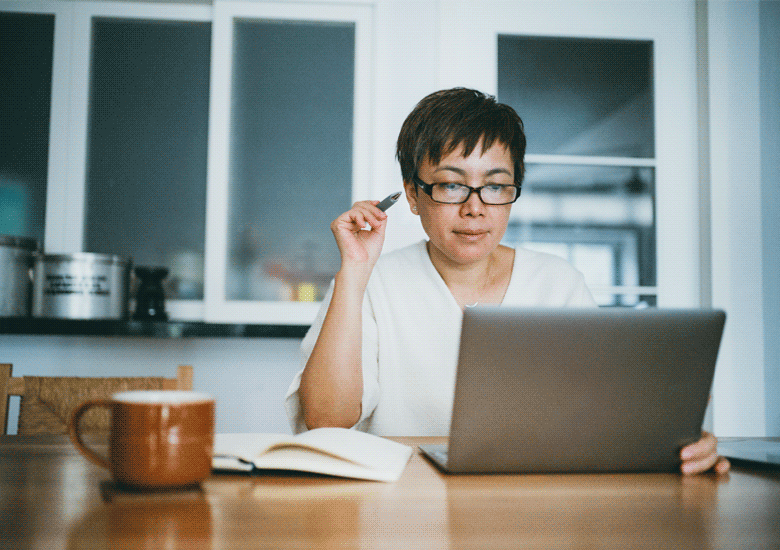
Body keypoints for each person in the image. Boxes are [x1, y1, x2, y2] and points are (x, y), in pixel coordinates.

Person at [286, 88, 729, 475]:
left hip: (534, 505)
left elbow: (601, 419)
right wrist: (355, 271)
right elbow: (325, 418)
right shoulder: (370, 282)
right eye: (450, 185)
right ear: (414, 195)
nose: (476, 208)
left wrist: (678, 444)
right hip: (400, 506)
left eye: (496, 186)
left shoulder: (558, 283)